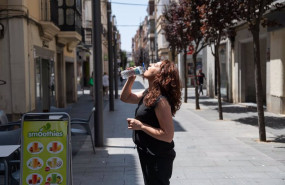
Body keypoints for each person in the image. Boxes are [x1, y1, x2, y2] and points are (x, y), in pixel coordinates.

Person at [120, 60, 182, 185]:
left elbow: (168, 136)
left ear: (161, 74)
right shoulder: (148, 93)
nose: (149, 65)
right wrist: (131, 79)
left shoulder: (161, 101)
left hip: (158, 156)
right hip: (148, 152)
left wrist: (141, 126)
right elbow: (125, 97)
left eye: (155, 65)